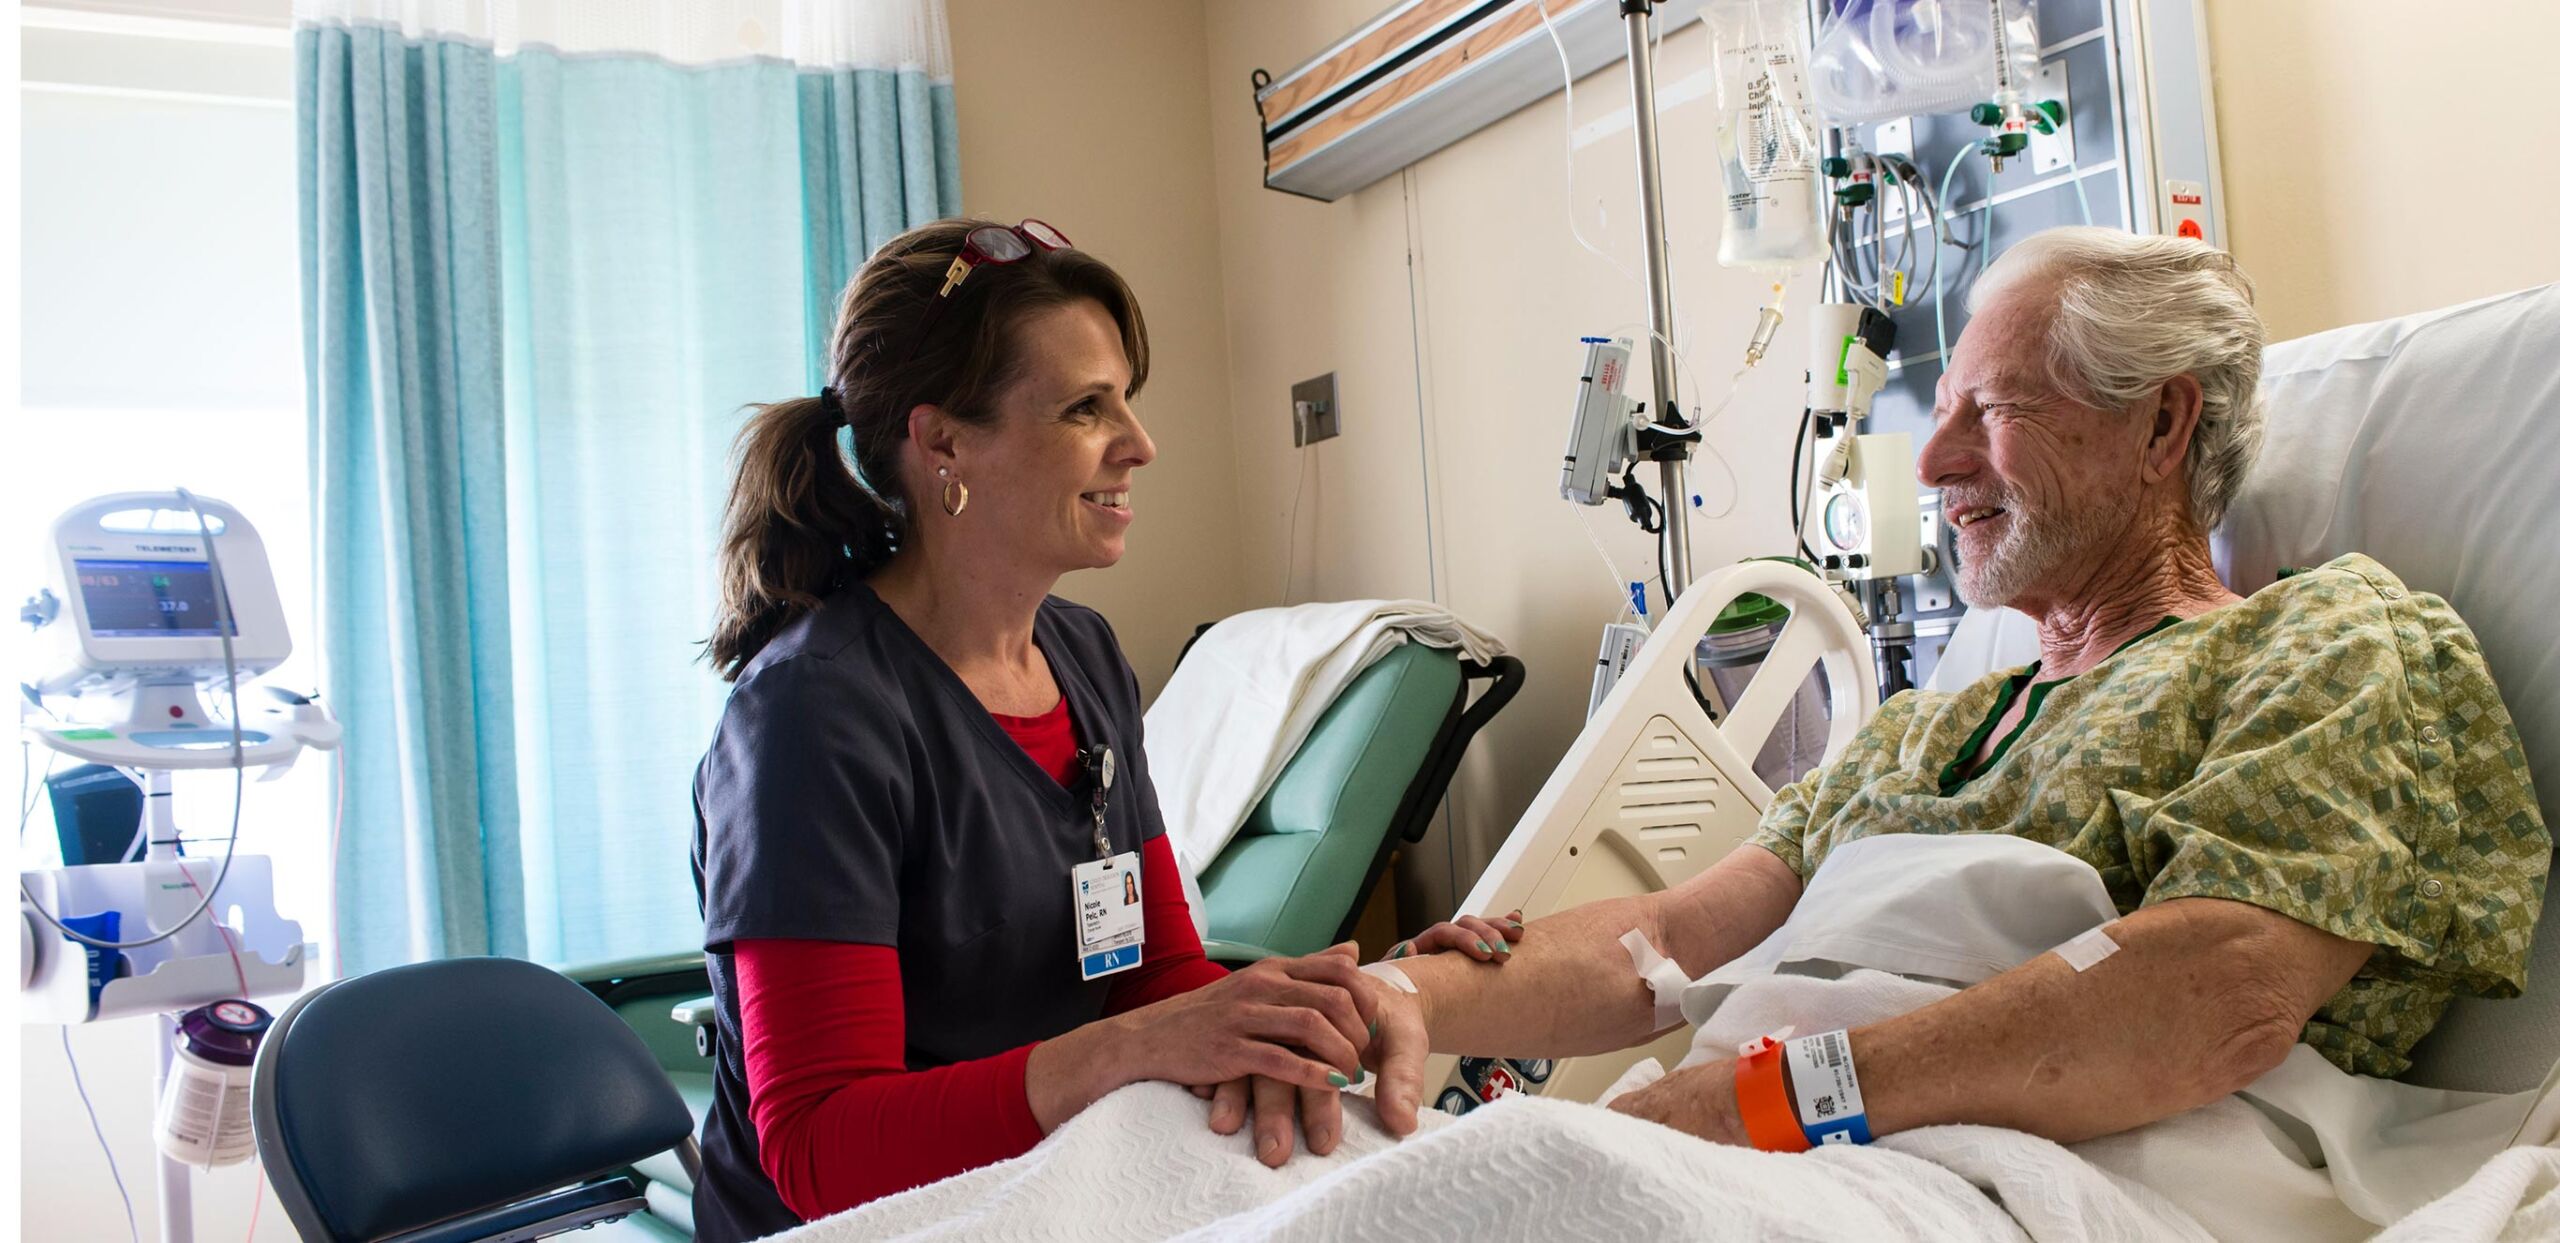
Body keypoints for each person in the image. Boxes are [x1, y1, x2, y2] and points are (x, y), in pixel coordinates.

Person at [1358, 226, 2550, 1146]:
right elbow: (1663, 944)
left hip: (2046, 1163)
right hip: (1782, 1140)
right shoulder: (1918, 735)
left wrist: (1767, 1102)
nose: (1929, 464)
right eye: (1938, 417)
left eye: (1992, 410)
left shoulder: (2322, 643)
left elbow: (2213, 993)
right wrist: (1398, 997)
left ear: (2160, 426)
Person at [690, 218, 1519, 1239]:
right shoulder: (811, 717)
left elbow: (1158, 977)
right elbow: (819, 1149)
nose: (1139, 443)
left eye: (1126, 397)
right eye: (1087, 407)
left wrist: (1338, 997)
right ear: (942, 441)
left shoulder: (1080, 658)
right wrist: (1127, 1050)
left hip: (1061, 1188)